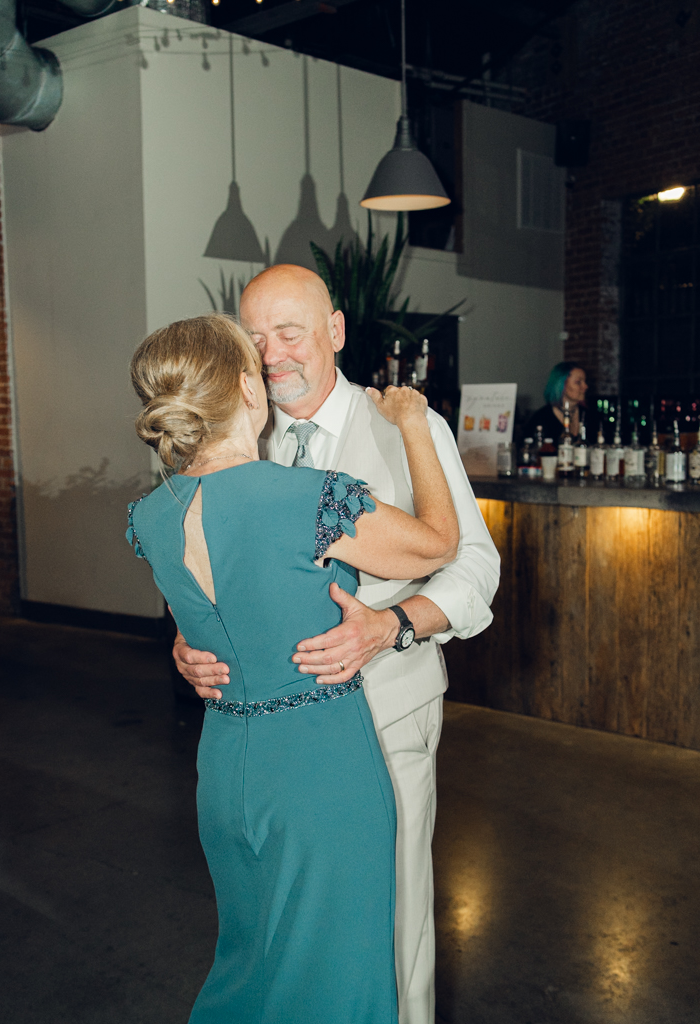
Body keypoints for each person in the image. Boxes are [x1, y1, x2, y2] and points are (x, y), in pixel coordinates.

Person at [173, 264, 501, 1024]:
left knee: (387, 927)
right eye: (254, 339)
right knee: (287, 932)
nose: (272, 354)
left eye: (290, 333)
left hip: (383, 711)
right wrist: (190, 647)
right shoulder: (236, 440)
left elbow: (474, 563)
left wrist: (393, 624)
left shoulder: (404, 429)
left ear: (336, 332)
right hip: (275, 742)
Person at [524, 361, 590, 441]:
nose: (585, 386)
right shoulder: (542, 418)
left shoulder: (589, 415)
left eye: (585, 381)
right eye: (578, 382)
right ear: (561, 385)